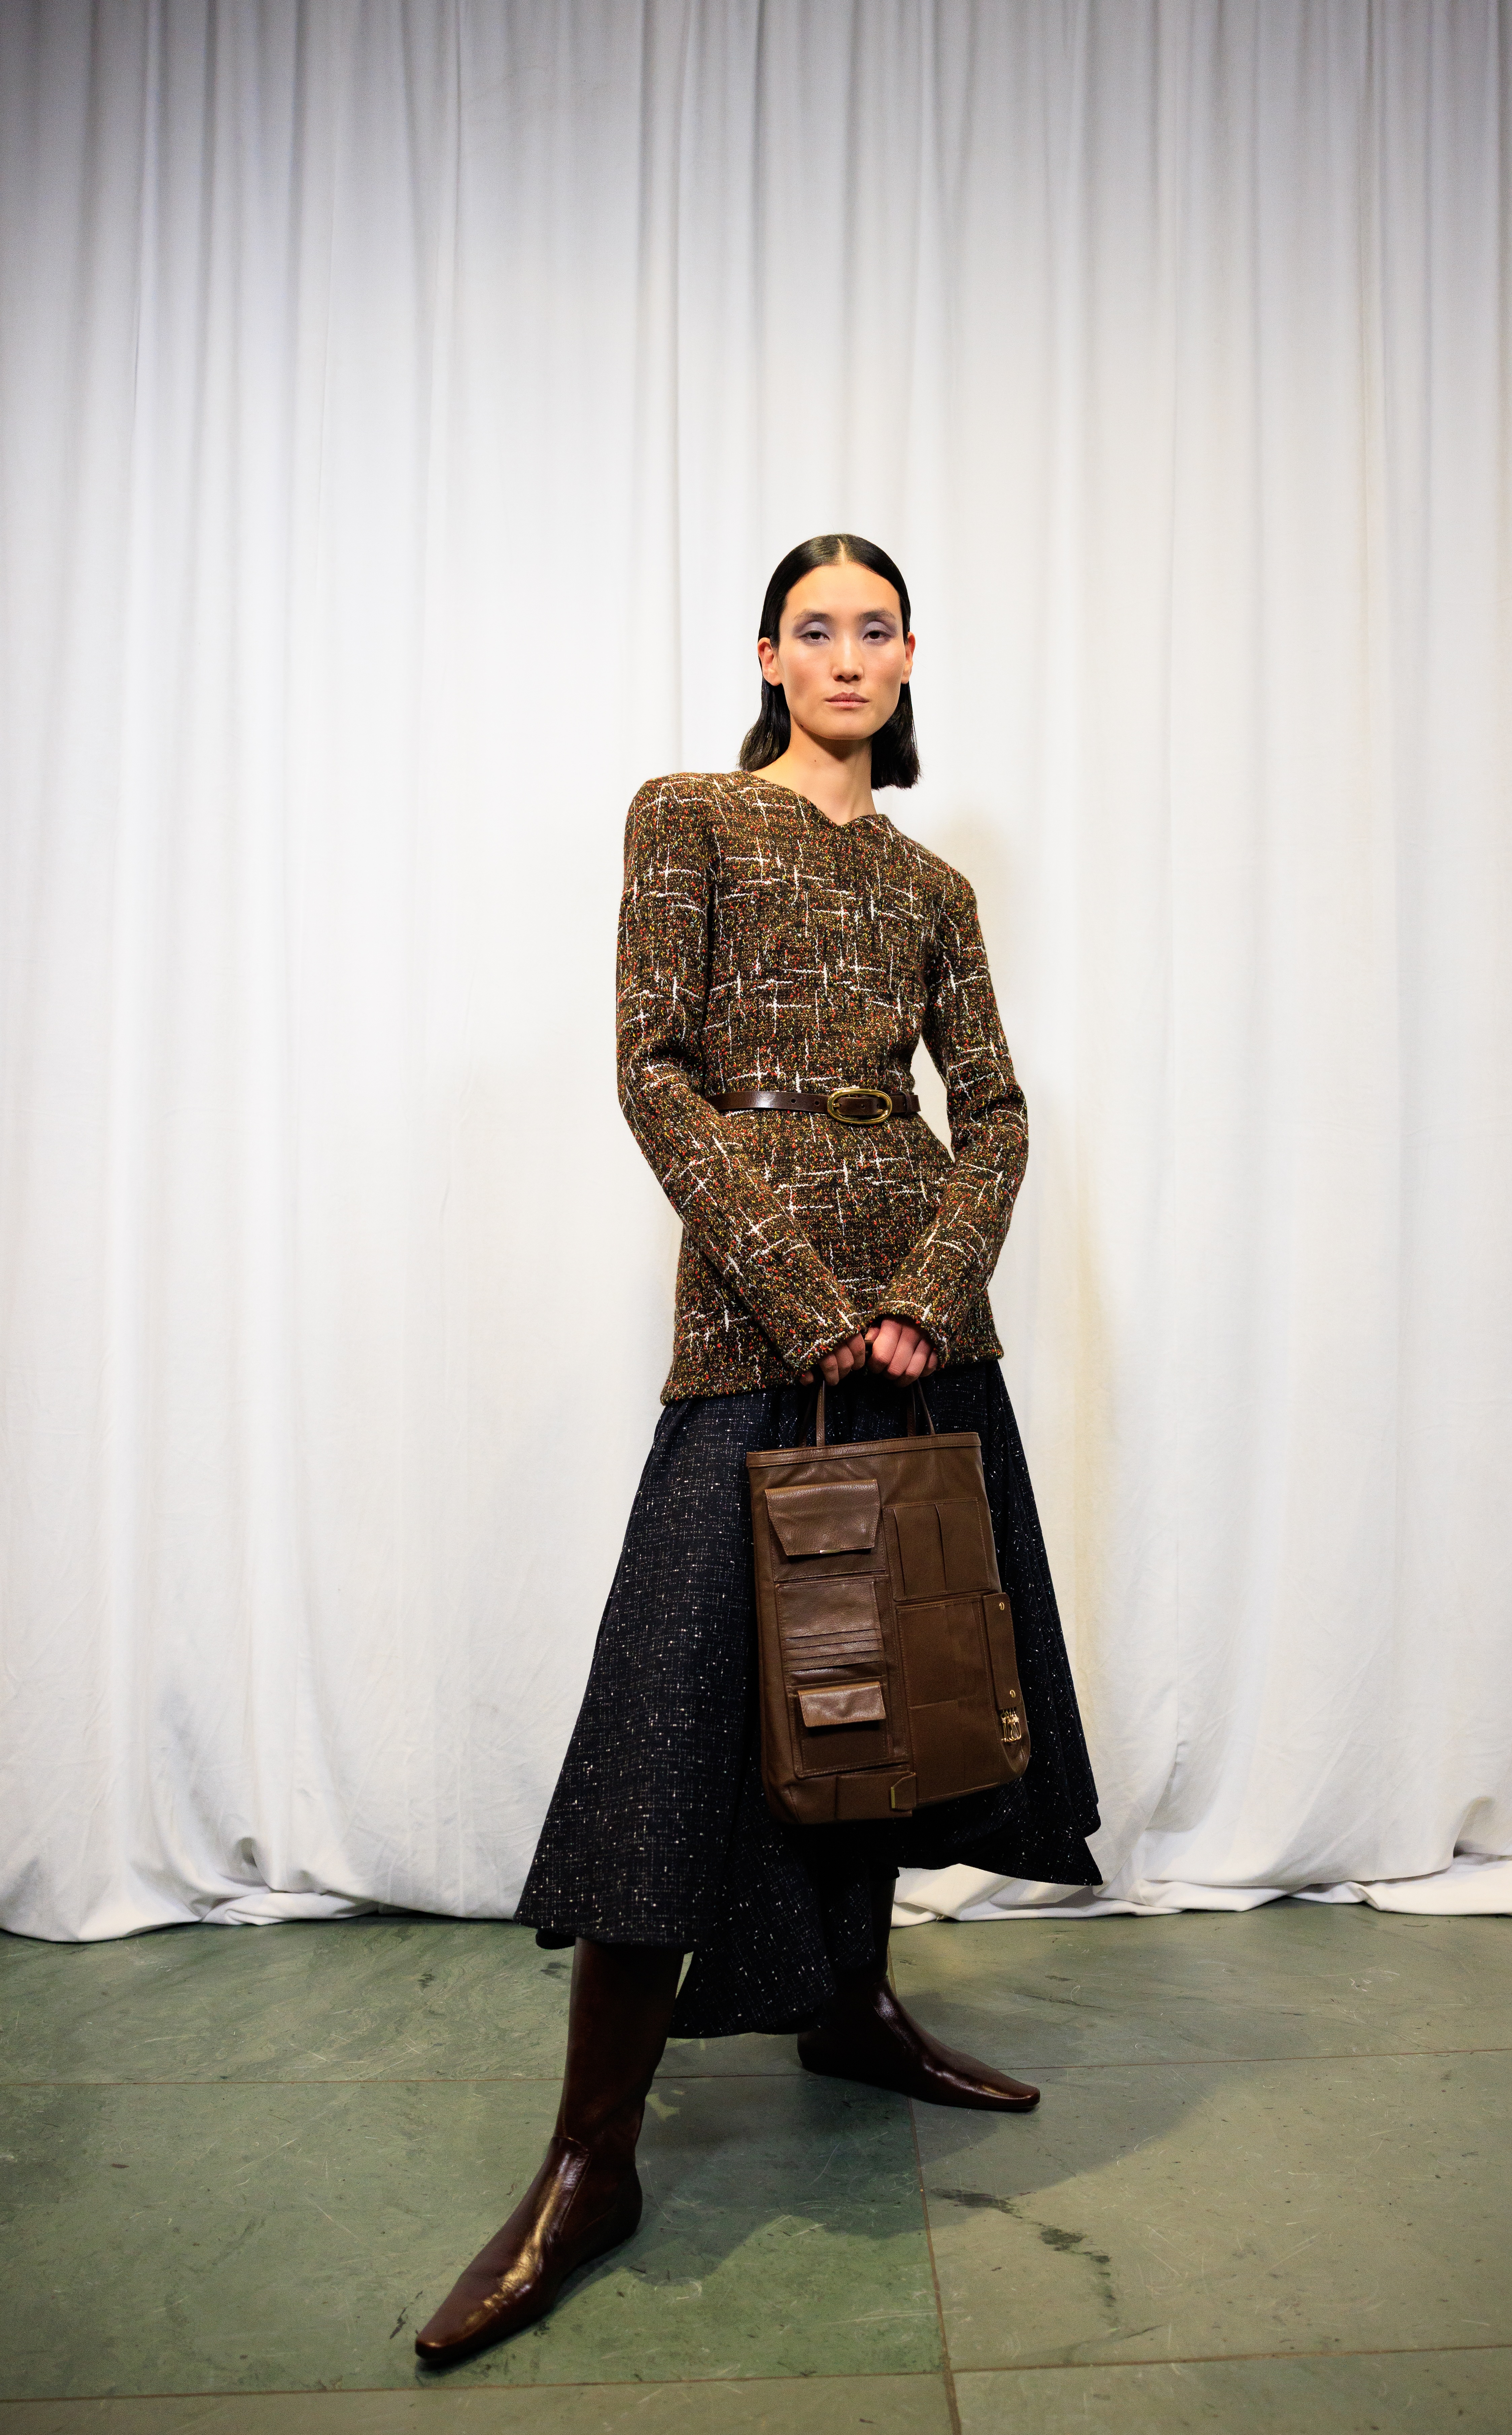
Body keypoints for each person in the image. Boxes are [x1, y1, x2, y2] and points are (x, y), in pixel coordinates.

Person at [416, 533, 1100, 2368]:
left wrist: (932, 1287)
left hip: (922, 1329)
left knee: (887, 1689)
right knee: (689, 1710)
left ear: (907, 657)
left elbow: (1003, 1108)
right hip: (758, 1316)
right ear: (769, 653)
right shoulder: (690, 818)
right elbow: (653, 1068)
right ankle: (592, 2159)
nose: (851, 654)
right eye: (819, 628)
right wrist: (806, 1295)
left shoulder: (937, 882)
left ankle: (848, 2006)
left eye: (879, 628)